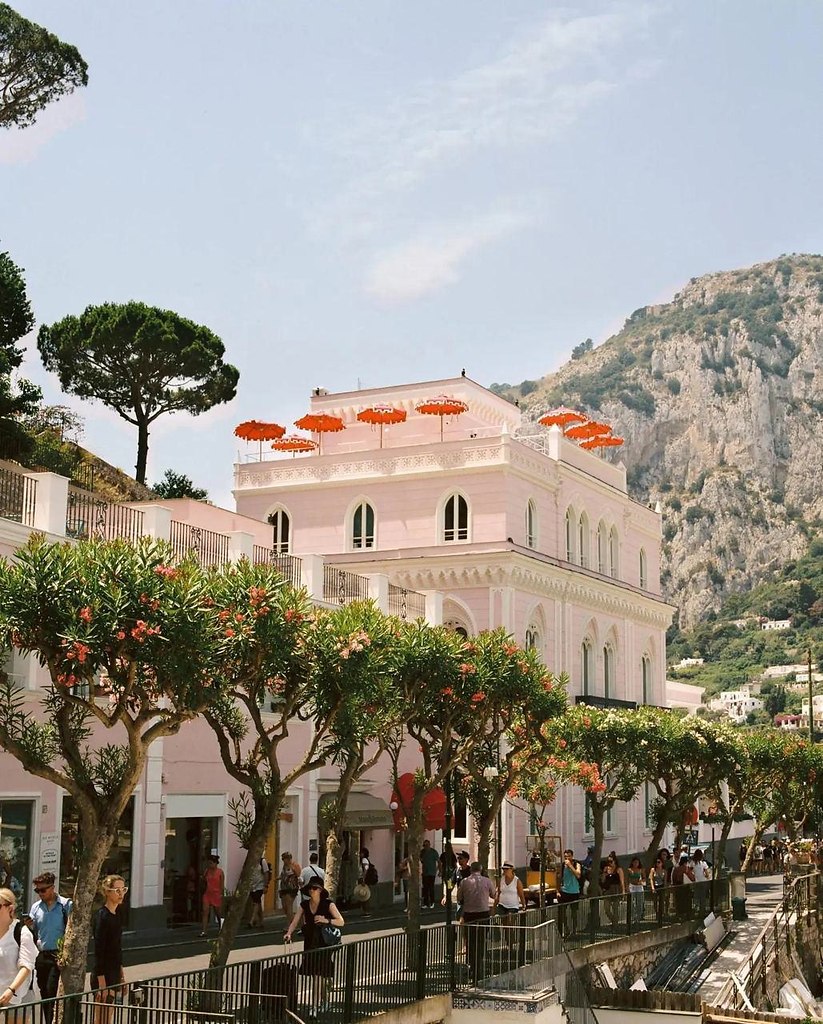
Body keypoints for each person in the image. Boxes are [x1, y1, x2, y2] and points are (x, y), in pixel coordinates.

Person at [284, 880, 344, 1020]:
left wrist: (326, 920)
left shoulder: (328, 904)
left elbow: (341, 921)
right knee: (317, 976)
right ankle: (324, 1000)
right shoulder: (304, 905)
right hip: (310, 943)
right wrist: (289, 933)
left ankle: (315, 1007)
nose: (312, 890)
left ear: (321, 890)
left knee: (318, 975)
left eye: (315, 888)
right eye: (310, 888)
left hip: (324, 944)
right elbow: (295, 921)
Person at [26, 871, 72, 1023]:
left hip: (57, 955)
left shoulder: (65, 905)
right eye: (37, 890)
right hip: (42, 955)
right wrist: (29, 926)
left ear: (52, 888)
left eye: (43, 890)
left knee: (52, 990)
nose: (40, 893)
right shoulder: (36, 908)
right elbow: (35, 933)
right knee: (44, 992)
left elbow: (72, 931)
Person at [92, 875, 127, 1024]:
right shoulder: (102, 916)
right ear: (107, 892)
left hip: (114, 973)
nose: (121, 894)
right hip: (103, 975)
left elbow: (117, 949)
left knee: (108, 1018)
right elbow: (99, 951)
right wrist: (102, 984)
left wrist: (122, 976)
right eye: (117, 890)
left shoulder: (117, 914)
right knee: (101, 1019)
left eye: (123, 889)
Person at [0, 887, 36, 1017]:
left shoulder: (22, 932)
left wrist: (11, 990)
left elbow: (26, 966)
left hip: (16, 994)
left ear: (10, 909)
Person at [457, 863, 496, 985]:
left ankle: (472, 966)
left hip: (469, 914)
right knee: (481, 940)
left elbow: (459, 898)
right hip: (483, 914)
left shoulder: (464, 882)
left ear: (471, 870)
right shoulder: (487, 881)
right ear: (481, 869)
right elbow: (493, 895)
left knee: (470, 942)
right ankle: (479, 967)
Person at [559, 849, 582, 937]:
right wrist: (558, 890)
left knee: (574, 913)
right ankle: (566, 929)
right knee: (562, 912)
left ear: (572, 856)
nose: (567, 858)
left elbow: (578, 875)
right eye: (565, 857)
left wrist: (570, 866)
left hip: (574, 891)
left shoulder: (576, 864)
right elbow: (559, 877)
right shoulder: (563, 865)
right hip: (565, 891)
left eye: (568, 856)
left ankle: (574, 931)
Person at [200, 854, 224, 936]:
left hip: (216, 894)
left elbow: (222, 885)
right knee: (205, 911)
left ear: (215, 863)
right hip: (207, 893)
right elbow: (204, 880)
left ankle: (221, 927)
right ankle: (204, 931)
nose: (210, 865)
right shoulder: (207, 871)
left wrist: (221, 895)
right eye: (209, 863)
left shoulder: (220, 872)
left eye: (211, 863)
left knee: (218, 913)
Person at [248, 853, 271, 929]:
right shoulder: (250, 861)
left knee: (256, 902)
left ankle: (252, 920)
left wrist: (266, 885)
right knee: (258, 903)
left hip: (260, 885)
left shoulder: (262, 861)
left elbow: (266, 873)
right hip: (252, 885)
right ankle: (261, 921)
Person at [278, 852, 302, 924]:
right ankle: (293, 921)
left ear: (288, 859)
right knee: (284, 907)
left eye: (284, 859)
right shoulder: (284, 866)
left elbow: (298, 876)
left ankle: (290, 924)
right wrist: (279, 878)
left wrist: (300, 885)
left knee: (289, 906)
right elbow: (283, 875)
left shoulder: (294, 865)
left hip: (292, 888)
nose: (283, 860)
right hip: (284, 888)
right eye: (282, 859)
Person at [600, 856, 624, 925]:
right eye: (608, 862)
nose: (609, 863)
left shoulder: (618, 869)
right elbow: (603, 881)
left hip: (616, 889)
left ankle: (615, 925)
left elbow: (622, 881)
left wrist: (623, 891)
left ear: (615, 861)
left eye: (611, 861)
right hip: (608, 890)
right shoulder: (607, 869)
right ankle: (614, 921)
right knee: (606, 908)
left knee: (615, 908)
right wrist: (604, 873)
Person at [671, 854, 695, 920]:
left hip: (678, 887)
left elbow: (673, 878)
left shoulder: (676, 869)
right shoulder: (686, 868)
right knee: (687, 901)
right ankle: (687, 915)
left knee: (679, 901)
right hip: (686, 887)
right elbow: (692, 877)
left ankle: (679, 915)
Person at [420, 840, 440, 909]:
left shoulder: (433, 852)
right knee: (425, 888)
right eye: (424, 845)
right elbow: (420, 860)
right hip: (425, 873)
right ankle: (426, 903)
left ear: (429, 845)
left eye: (426, 845)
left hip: (431, 873)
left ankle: (432, 902)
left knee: (431, 888)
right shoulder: (422, 852)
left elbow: (439, 862)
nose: (425, 847)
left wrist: (439, 870)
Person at [626, 857, 645, 925]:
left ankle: (638, 918)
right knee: (631, 903)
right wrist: (627, 888)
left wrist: (641, 881)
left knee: (639, 903)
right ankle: (633, 917)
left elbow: (644, 878)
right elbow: (627, 879)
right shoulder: (629, 870)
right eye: (634, 862)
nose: (636, 864)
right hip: (632, 886)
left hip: (639, 887)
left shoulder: (641, 870)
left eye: (637, 862)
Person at [649, 856, 667, 924]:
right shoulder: (653, 870)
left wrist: (665, 888)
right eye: (656, 862)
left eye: (659, 862)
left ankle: (661, 913)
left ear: (662, 863)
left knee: (661, 901)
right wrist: (652, 887)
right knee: (655, 901)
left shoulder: (664, 871)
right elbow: (651, 879)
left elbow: (665, 880)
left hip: (661, 886)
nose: (657, 864)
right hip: (655, 886)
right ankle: (656, 913)